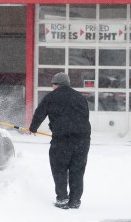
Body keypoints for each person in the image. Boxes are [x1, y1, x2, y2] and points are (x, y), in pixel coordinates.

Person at [28, 72, 91, 209]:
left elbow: (40, 113)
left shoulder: (51, 97)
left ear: (55, 84)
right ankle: (75, 201)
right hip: (82, 140)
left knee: (59, 169)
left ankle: (62, 199)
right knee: (77, 170)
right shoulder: (80, 97)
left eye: (53, 84)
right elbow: (85, 116)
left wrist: (33, 128)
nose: (52, 87)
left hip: (62, 140)